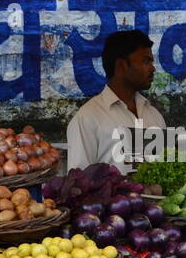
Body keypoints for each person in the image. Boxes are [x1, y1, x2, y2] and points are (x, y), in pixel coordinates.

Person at [66, 30, 168, 171]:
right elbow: (78, 181)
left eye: (151, 61)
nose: (153, 68)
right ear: (121, 65)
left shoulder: (154, 115)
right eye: (146, 61)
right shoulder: (87, 119)